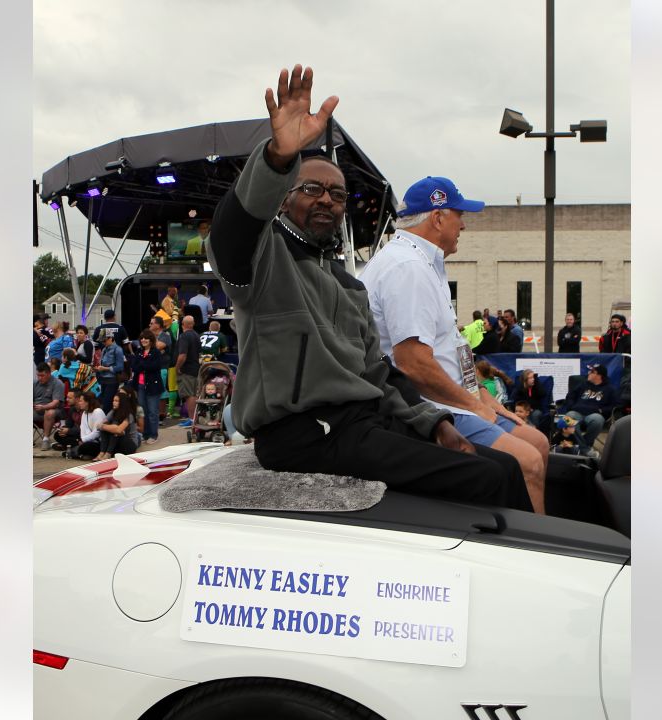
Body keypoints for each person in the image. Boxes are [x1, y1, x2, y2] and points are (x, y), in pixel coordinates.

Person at [205, 63, 531, 512]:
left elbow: (379, 372)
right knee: (486, 477)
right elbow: (232, 234)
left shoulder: (346, 281)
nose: (327, 199)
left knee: (507, 467)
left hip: (360, 422)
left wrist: (434, 423)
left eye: (337, 195)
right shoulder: (265, 262)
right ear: (284, 197)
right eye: (313, 188)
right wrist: (277, 159)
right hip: (304, 434)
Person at [360, 174, 549, 513]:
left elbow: (453, 352)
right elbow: (413, 364)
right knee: (528, 461)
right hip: (428, 407)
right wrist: (475, 406)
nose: (464, 225)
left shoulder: (423, 264)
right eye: (459, 214)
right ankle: (534, 554)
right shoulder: (407, 268)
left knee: (537, 441)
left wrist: (489, 401)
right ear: (437, 217)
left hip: (452, 400)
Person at [556, 363, 618, 458]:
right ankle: (585, 449)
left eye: (592, 371)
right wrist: (571, 406)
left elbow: (613, 405)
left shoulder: (610, 389)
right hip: (577, 412)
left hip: (594, 414)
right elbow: (570, 396)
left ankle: (581, 446)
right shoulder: (583, 384)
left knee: (597, 419)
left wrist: (601, 410)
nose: (589, 373)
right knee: (569, 417)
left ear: (599, 375)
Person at [130, 329, 166, 445]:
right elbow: (134, 366)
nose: (143, 340)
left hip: (153, 386)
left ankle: (153, 434)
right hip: (140, 385)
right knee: (143, 411)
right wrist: (144, 365)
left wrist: (142, 365)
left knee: (152, 412)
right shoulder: (139, 352)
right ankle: (145, 434)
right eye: (142, 338)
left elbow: (155, 366)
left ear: (151, 340)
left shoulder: (156, 352)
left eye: (146, 338)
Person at [97, 387, 141, 459]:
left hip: (129, 443)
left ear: (122, 402)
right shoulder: (113, 411)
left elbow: (119, 430)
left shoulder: (129, 415)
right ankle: (102, 453)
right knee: (105, 431)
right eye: (113, 400)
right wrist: (104, 427)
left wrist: (104, 426)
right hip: (117, 441)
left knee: (115, 432)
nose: (113, 402)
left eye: (116, 401)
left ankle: (108, 453)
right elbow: (101, 424)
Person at [33, 362, 66, 451]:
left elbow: (55, 403)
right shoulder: (35, 383)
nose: (39, 378)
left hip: (55, 411)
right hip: (37, 410)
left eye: (42, 375)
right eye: (38, 375)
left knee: (49, 412)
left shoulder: (57, 383)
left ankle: (46, 439)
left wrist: (43, 407)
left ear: (49, 373)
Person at [175, 314, 201, 422]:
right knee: (193, 394)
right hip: (195, 368)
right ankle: (194, 418)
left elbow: (182, 355)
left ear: (183, 325)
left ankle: (191, 419)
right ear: (193, 324)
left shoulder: (184, 336)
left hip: (186, 370)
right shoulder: (196, 335)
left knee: (189, 395)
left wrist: (177, 367)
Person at [65, 392, 107, 460]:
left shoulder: (98, 412)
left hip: (98, 443)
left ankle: (78, 453)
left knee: (85, 447)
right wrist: (82, 439)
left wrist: (83, 440)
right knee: (65, 438)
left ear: (87, 402)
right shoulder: (85, 413)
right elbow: (83, 429)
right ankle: (80, 454)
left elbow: (97, 433)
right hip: (87, 441)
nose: (79, 403)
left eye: (81, 401)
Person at [95, 332, 124, 412]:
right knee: (102, 402)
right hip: (103, 380)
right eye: (102, 341)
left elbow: (120, 367)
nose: (103, 343)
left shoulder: (118, 349)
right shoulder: (104, 349)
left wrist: (105, 368)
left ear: (110, 338)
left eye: (104, 341)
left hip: (112, 380)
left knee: (107, 404)